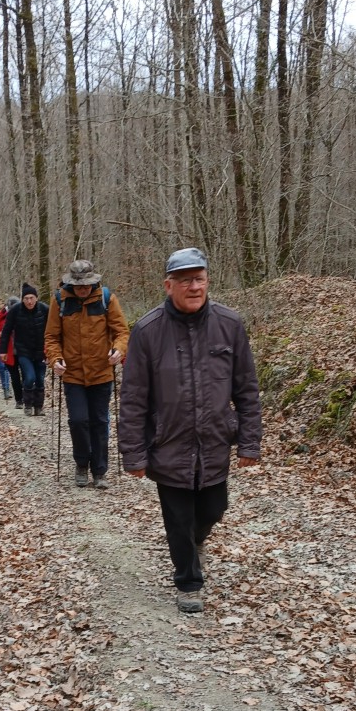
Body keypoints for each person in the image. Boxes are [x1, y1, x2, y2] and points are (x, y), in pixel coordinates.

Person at [118, 247, 262, 614]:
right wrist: (133, 453)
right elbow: (133, 398)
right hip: (167, 443)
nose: (194, 287)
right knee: (178, 518)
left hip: (215, 440)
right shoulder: (148, 331)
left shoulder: (229, 324)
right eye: (185, 281)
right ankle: (188, 582)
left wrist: (249, 441)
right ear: (169, 286)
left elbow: (246, 387)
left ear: (207, 281)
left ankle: (194, 543)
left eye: (199, 279)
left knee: (215, 507)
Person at [45, 259, 130, 490]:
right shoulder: (60, 300)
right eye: (78, 285)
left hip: (102, 372)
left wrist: (118, 349)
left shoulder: (106, 299)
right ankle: (82, 464)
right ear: (71, 284)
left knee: (100, 421)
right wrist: (56, 359)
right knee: (79, 421)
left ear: (94, 282)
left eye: (86, 285)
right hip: (72, 373)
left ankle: (100, 471)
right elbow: (51, 337)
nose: (82, 289)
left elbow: (121, 331)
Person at [0, 284, 48, 416]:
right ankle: (27, 404)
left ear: (37, 298)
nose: (29, 301)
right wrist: (3, 350)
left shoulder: (44, 309)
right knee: (29, 377)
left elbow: (53, 330)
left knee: (40, 379)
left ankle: (38, 406)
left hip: (40, 350)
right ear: (22, 299)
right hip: (23, 350)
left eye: (31, 298)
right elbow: (6, 330)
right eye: (26, 298)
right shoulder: (15, 310)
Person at [0, 297, 23, 409]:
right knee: (15, 377)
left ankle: (27, 398)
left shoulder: (24, 313)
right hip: (8, 353)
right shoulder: (1, 316)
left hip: (23, 351)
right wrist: (2, 334)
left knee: (27, 376)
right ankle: (19, 400)